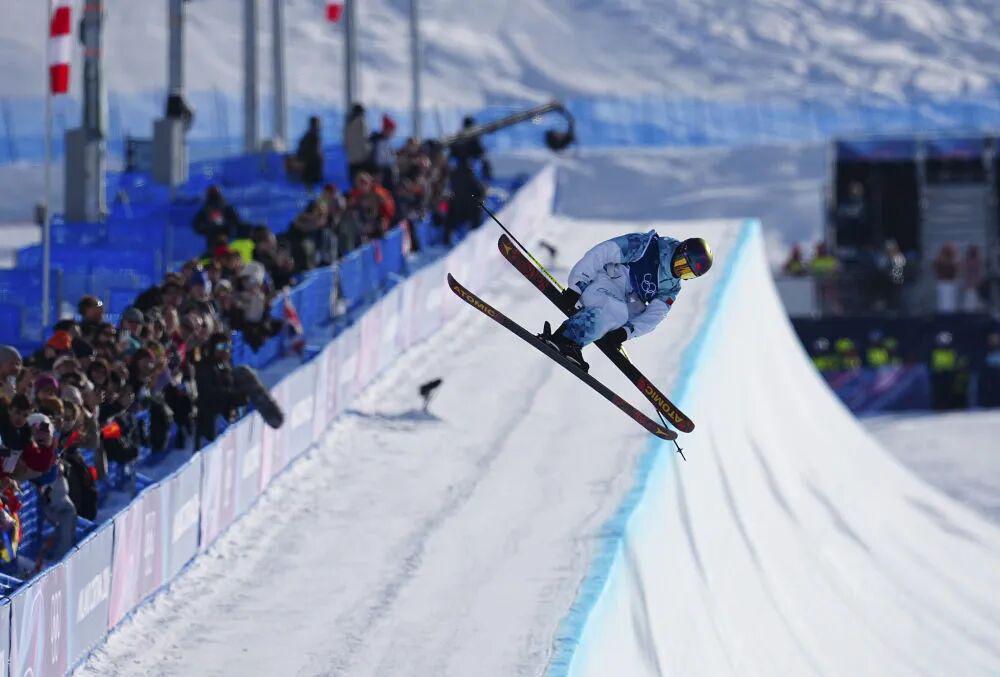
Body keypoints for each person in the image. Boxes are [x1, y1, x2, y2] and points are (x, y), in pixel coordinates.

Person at [538, 233, 713, 371]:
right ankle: (566, 339)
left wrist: (625, 333)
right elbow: (603, 252)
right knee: (614, 311)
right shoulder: (646, 246)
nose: (679, 271)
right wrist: (576, 287)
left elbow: (655, 315)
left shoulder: (671, 287)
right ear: (681, 250)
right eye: (682, 264)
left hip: (624, 303)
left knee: (621, 314)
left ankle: (574, 339)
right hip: (605, 282)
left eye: (687, 273)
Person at [192, 186, 251, 251]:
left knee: (224, 252)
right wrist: (208, 228)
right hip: (214, 236)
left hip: (225, 235)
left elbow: (236, 221)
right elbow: (197, 224)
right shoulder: (206, 210)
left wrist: (225, 225)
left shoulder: (226, 208)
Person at [343, 104, 371, 181]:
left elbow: (345, 142)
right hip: (361, 158)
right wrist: (368, 153)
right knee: (363, 181)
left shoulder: (348, 122)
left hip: (351, 158)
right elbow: (365, 139)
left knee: (353, 181)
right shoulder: (361, 121)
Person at [295, 116, 324, 187]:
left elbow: (300, 150)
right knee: (311, 187)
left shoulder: (306, 136)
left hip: (307, 165)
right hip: (311, 165)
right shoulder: (314, 136)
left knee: (309, 186)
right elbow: (316, 152)